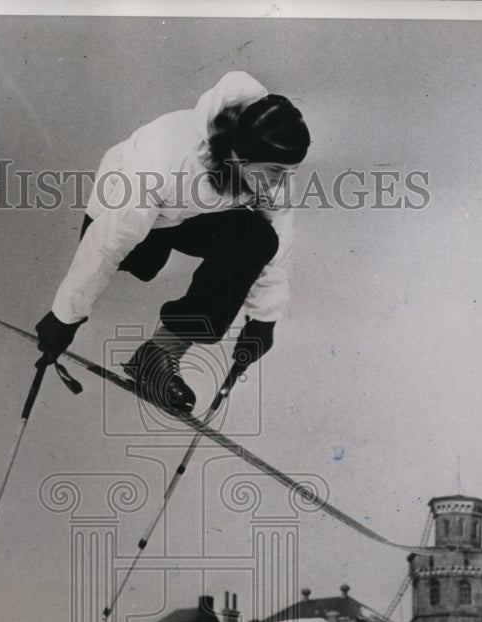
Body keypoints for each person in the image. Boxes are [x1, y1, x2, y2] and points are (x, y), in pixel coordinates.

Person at [35, 71, 310, 413]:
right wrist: (64, 316)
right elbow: (107, 243)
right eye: (275, 171)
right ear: (242, 155)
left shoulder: (271, 179)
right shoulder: (165, 160)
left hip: (188, 214)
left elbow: (277, 245)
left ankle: (158, 357)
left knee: (257, 239)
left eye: (290, 172)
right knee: (138, 260)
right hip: (122, 205)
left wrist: (263, 320)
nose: (282, 183)